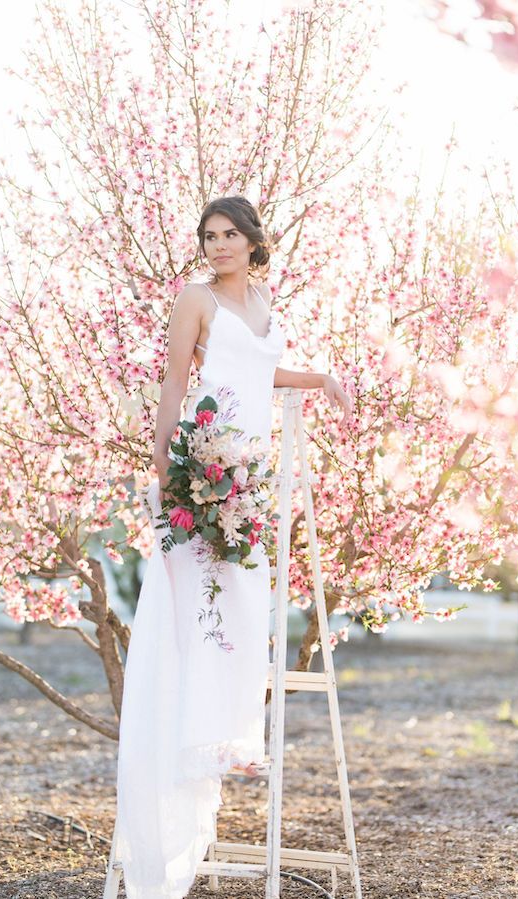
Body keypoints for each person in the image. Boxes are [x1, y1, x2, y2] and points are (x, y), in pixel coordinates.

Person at [115, 195, 353, 899]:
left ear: (253, 240)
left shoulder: (264, 299)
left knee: (247, 612)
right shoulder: (195, 299)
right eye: (209, 236)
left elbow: (258, 373)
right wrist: (162, 471)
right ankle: (187, 747)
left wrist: (320, 379)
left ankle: (226, 739)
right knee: (196, 622)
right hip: (203, 469)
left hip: (249, 478)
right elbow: (173, 382)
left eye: (229, 235)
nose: (217, 245)